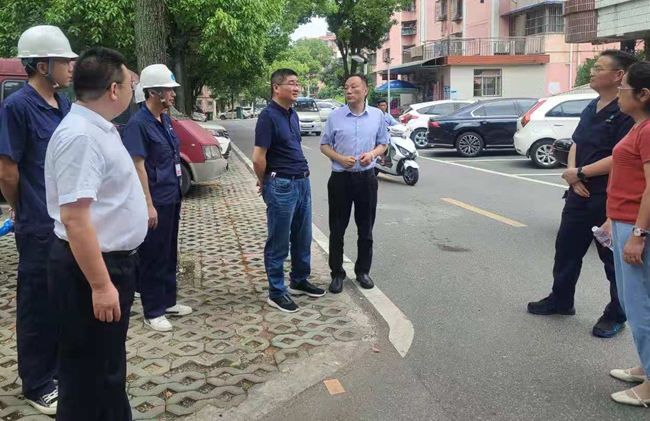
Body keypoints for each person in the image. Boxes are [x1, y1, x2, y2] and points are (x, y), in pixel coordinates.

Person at [45, 47, 148, 421]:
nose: (133, 89)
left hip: (106, 264)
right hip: (91, 269)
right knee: (89, 373)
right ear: (114, 89)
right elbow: (75, 219)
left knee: (105, 366)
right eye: (130, 82)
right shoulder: (82, 137)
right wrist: (102, 286)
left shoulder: (98, 128)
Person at [527, 50, 637, 338]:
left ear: (618, 76)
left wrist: (582, 173)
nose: (592, 72)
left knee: (611, 261)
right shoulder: (591, 105)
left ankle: (616, 314)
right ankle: (561, 300)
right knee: (566, 249)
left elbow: (621, 156)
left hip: (608, 196)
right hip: (579, 192)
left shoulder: (626, 112)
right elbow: (577, 141)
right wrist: (573, 172)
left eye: (599, 68)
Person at [0, 25, 77, 415]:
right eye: (65, 61)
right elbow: (7, 171)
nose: (71, 67)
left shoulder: (64, 105)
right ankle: (38, 383)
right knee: (37, 306)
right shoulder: (17, 107)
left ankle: (60, 373)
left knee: (62, 301)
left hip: (67, 224)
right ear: (43, 65)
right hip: (37, 226)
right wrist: (21, 207)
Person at [123, 64, 192, 331]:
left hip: (170, 197)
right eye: (168, 89)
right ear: (153, 92)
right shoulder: (138, 124)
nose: (173, 94)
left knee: (168, 253)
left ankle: (168, 301)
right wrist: (148, 205)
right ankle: (152, 311)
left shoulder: (165, 120)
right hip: (154, 201)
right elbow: (137, 166)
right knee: (152, 255)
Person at [253, 68, 325, 313]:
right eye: (291, 83)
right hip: (281, 185)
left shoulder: (292, 114)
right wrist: (264, 181)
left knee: (303, 237)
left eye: (297, 83)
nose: (297, 88)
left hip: (302, 183)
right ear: (276, 87)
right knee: (279, 241)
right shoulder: (268, 117)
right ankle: (276, 292)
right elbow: (258, 158)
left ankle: (299, 280)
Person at [603, 61, 650, 407]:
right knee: (633, 300)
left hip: (636, 226)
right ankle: (645, 367)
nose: (619, 94)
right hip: (624, 222)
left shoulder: (647, 131)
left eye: (624, 88)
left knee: (640, 305)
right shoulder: (639, 127)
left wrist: (638, 233)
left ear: (643, 94)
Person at [320, 75, 389, 294]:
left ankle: (363, 271)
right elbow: (324, 145)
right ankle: (337, 274)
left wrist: (372, 154)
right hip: (340, 179)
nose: (348, 91)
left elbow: (383, 143)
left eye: (354, 87)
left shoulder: (377, 115)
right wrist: (340, 158)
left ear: (365, 90)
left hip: (366, 179)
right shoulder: (335, 116)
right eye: (346, 87)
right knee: (337, 229)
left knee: (366, 229)